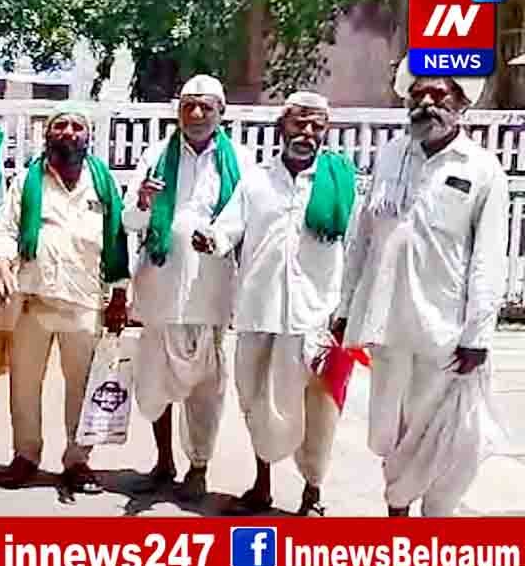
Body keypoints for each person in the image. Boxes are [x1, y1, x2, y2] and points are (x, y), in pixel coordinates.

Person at [335, 66, 509, 517]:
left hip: (444, 331)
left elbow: (489, 258)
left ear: (461, 104)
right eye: (417, 95)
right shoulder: (391, 155)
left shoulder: (482, 168)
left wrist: (478, 335)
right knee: (391, 431)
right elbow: (361, 237)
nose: (426, 104)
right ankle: (398, 513)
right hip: (386, 325)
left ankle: (429, 522)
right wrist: (344, 307)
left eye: (438, 94)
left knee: (436, 435)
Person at [192, 91, 355, 516]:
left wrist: (347, 312)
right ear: (282, 126)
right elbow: (228, 228)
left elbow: (357, 248)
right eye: (299, 123)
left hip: (315, 316)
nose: (307, 132)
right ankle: (261, 486)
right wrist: (210, 239)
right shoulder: (257, 180)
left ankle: (312, 492)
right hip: (258, 309)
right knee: (256, 399)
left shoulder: (340, 181)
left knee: (317, 407)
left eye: (317, 125)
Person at [121, 74, 258, 502]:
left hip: (210, 292)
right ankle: (163, 463)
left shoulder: (241, 160)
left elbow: (248, 222)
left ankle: (198, 468)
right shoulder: (156, 154)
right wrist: (143, 202)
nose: (196, 114)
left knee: (204, 389)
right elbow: (130, 220)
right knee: (155, 379)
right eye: (188, 106)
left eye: (205, 107)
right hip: (160, 287)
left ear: (221, 113)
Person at [0, 104, 130, 494]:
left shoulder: (103, 183)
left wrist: (120, 293)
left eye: (76, 126)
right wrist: (2, 261)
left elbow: (119, 240)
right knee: (24, 384)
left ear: (88, 137)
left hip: (85, 300)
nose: (68, 132)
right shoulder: (27, 181)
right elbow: (7, 229)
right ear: (48, 134)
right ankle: (25, 456)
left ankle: (78, 461)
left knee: (81, 385)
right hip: (33, 299)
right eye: (60, 126)